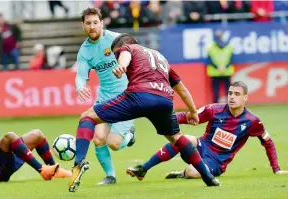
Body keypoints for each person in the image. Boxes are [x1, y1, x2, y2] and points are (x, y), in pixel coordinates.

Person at [68, 33, 220, 192]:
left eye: (115, 54)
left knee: (87, 116)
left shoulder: (128, 47)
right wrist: (193, 111)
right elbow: (181, 89)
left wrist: (122, 65)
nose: (115, 57)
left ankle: (79, 163)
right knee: (177, 138)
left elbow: (125, 54)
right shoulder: (160, 57)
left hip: (138, 96)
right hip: (164, 100)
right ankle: (207, 176)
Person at [127, 81, 288, 181]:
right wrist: (162, 118)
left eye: (237, 94)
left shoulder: (252, 121)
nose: (232, 97)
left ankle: (182, 173)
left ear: (245, 98)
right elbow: (189, 116)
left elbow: (268, 142)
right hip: (202, 146)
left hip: (217, 162)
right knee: (184, 139)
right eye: (230, 93)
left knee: (192, 173)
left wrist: (276, 169)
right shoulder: (214, 109)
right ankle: (143, 169)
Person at [75, 7, 136, 185]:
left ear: (102, 23)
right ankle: (110, 176)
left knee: (114, 143)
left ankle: (129, 136)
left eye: (95, 22)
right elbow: (81, 73)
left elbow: (132, 52)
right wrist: (80, 86)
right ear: (83, 26)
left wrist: (124, 65)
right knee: (98, 138)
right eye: (88, 23)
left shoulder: (115, 39)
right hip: (104, 97)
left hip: (126, 97)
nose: (92, 26)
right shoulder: (84, 51)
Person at [206, 30, 234, 103]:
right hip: (226, 71)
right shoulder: (229, 46)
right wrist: (225, 67)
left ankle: (215, 108)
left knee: (216, 91)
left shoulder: (210, 47)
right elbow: (231, 59)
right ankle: (230, 105)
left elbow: (210, 59)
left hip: (214, 72)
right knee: (228, 91)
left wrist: (217, 67)